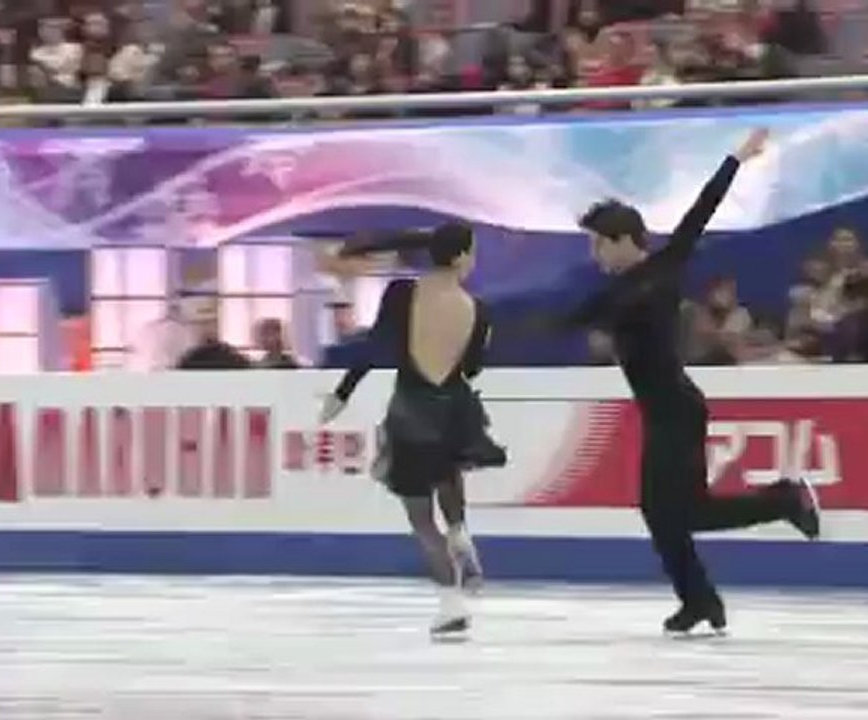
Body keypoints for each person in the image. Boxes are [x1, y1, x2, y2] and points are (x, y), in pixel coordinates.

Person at [562, 129, 821, 636]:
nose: (593, 253)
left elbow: (703, 208)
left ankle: (782, 502)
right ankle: (699, 600)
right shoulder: (610, 295)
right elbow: (560, 323)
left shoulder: (663, 267)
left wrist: (735, 158)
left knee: (681, 513)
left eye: (597, 243)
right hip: (665, 411)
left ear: (621, 241)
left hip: (677, 411)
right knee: (667, 514)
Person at [318, 222, 506, 637]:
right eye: (472, 253)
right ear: (459, 257)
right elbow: (472, 368)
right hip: (456, 410)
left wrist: (342, 393)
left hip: (411, 411)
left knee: (422, 520)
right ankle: (460, 532)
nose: (474, 261)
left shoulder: (403, 294)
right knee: (448, 470)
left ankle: (451, 603)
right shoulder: (479, 310)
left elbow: (372, 348)